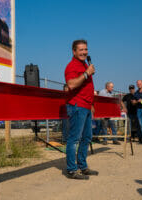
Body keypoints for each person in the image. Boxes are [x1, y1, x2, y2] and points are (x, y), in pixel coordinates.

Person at [64, 39, 98, 179]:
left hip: (86, 106)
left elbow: (86, 88)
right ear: (74, 51)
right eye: (81, 50)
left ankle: (82, 166)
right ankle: (72, 170)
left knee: (87, 137)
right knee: (74, 138)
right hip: (77, 106)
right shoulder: (72, 66)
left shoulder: (84, 64)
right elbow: (71, 84)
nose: (84, 52)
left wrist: (91, 105)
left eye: (86, 49)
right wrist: (86, 74)